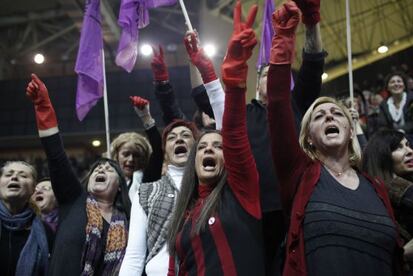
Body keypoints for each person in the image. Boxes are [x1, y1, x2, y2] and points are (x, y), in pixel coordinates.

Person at [266, 2, 403, 275]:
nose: (329, 117)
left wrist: (313, 20)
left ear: (351, 129)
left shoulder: (376, 187)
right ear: (308, 140)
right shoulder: (299, 176)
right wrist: (283, 40)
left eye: (336, 113)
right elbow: (279, 103)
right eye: (318, 116)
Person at [167, 2, 265, 275]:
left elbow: (232, 131)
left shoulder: (241, 193)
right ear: (193, 159)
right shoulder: (183, 215)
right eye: (202, 147)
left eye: (217, 146)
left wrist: (229, 76)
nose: (209, 149)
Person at [26, 73, 131, 275]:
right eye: (97, 168)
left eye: (109, 169)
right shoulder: (74, 199)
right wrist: (43, 106)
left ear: (120, 185)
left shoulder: (129, 220)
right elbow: (56, 156)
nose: (101, 169)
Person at [119, 119, 198, 276]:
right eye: (172, 137)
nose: (179, 139)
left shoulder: (210, 189)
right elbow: (134, 256)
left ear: (198, 146)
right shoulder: (146, 192)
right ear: (165, 152)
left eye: (186, 135)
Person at [363, 129, 413, 270]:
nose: (410, 151)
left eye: (408, 145)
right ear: (382, 156)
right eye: (398, 147)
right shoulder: (382, 197)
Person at [0, 161, 51, 276]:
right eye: (8, 175)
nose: (14, 177)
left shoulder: (46, 231)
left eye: (23, 176)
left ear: (33, 188)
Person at [376, 72, 413, 141]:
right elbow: (382, 127)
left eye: (399, 81)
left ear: (404, 85)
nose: (396, 84)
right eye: (392, 82)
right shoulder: (384, 105)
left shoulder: (412, 99)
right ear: (387, 88)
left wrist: (400, 131)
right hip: (394, 142)